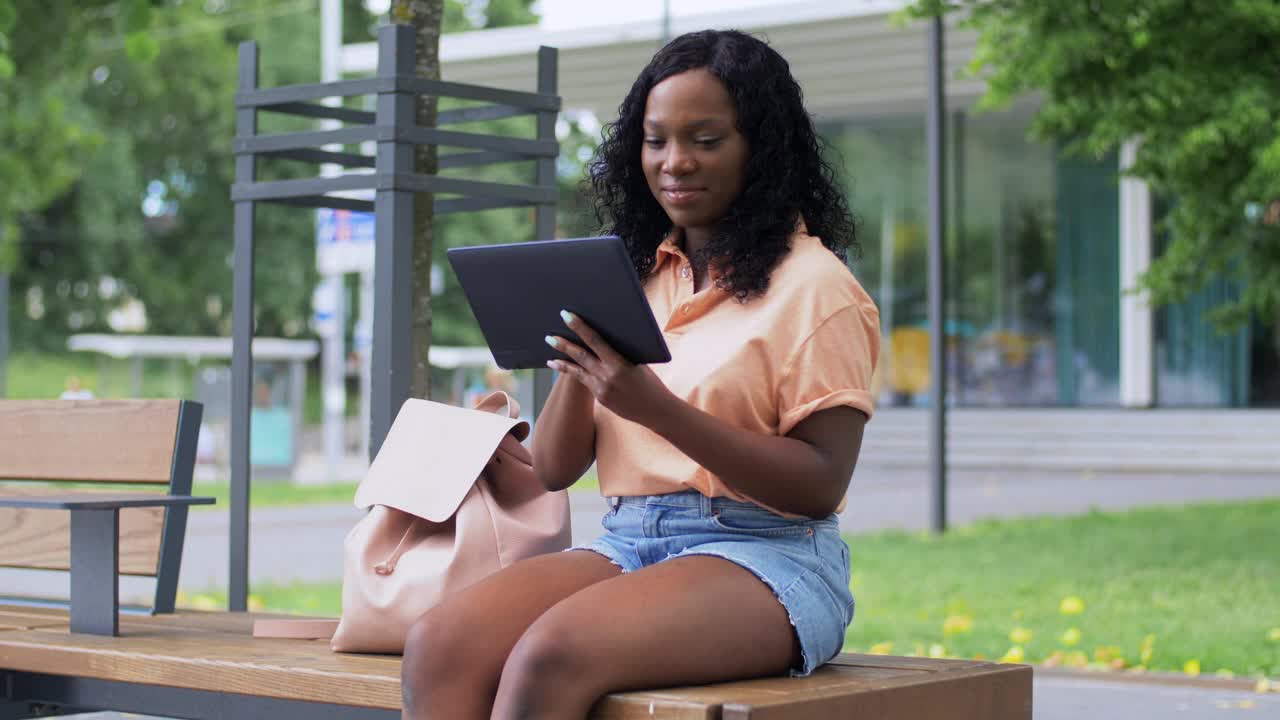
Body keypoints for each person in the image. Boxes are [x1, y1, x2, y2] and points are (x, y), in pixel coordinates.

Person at [400, 29, 880, 719]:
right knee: (441, 644)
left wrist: (653, 408)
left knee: (549, 654)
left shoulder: (814, 286)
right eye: (656, 140)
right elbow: (556, 468)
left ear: (762, 148)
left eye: (706, 140)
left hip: (768, 556)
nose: (675, 162)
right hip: (629, 540)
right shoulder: (637, 271)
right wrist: (581, 352)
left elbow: (819, 484)